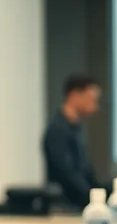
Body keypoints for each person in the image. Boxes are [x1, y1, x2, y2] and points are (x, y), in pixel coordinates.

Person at [43, 73, 102, 208]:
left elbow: (84, 171)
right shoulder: (58, 130)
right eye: (91, 99)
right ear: (75, 95)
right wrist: (92, 198)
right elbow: (67, 174)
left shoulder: (76, 129)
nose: (95, 106)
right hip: (66, 206)